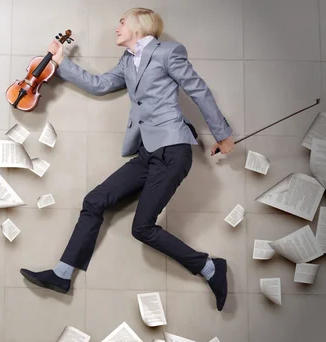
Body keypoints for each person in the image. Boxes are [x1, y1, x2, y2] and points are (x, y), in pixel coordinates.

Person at [20, 7, 234, 311]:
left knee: (142, 228)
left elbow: (198, 90)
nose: (117, 26)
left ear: (139, 25)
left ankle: (211, 268)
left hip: (173, 149)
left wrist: (222, 135)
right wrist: (60, 63)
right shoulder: (128, 61)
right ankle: (62, 275)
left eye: (122, 22)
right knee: (95, 201)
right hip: (148, 152)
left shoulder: (169, 52)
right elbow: (100, 84)